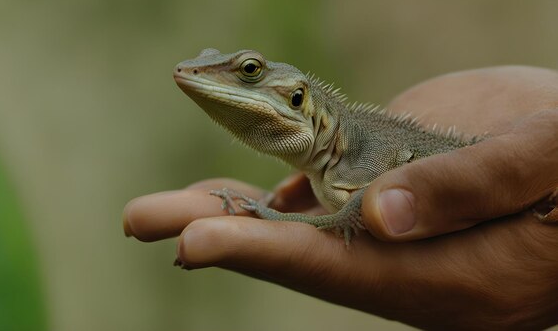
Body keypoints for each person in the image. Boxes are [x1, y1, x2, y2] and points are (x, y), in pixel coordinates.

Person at [123, 66, 558, 329]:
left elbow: (351, 213)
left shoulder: (348, 170)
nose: (210, 77)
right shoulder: (325, 171)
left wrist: (275, 217)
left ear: (298, 99)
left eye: (250, 73)